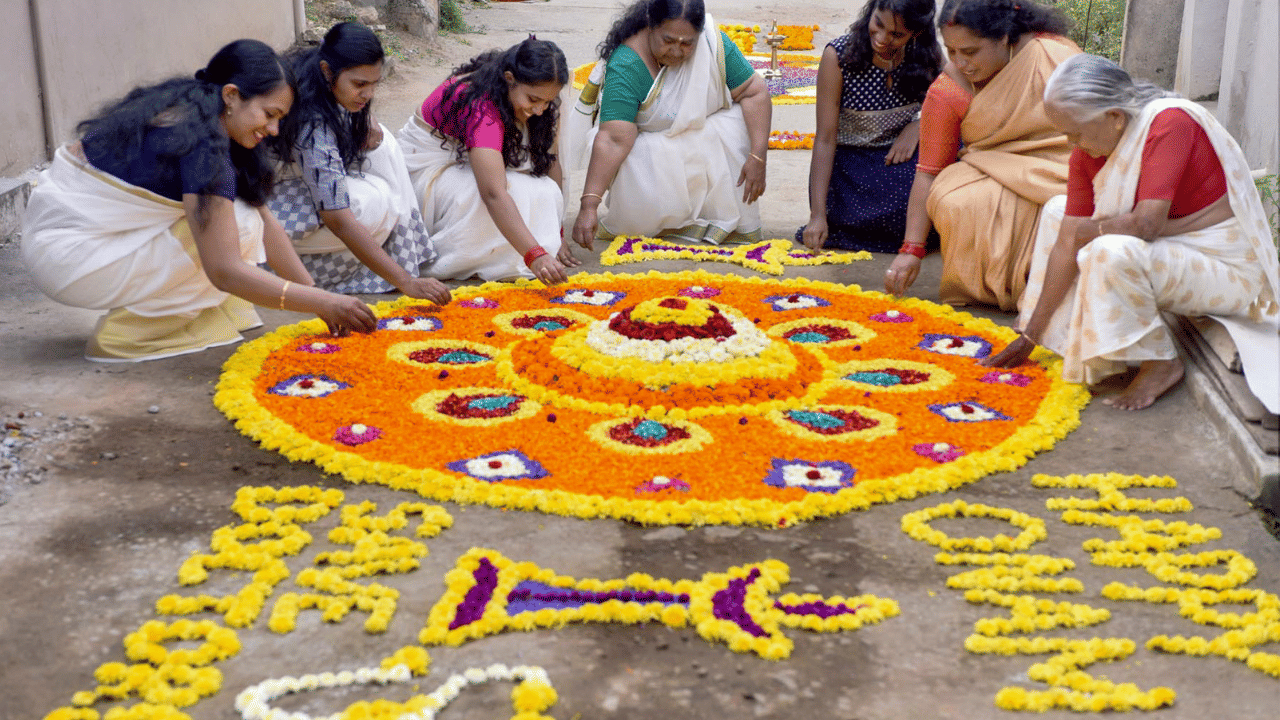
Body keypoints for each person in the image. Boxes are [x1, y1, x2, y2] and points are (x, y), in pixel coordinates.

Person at [21, 39, 376, 363]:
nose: (273, 131)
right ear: (231, 95)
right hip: (72, 259)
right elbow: (224, 271)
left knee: (244, 217)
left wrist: (315, 298)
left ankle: (195, 311)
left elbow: (269, 225)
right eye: (270, 115)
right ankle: (132, 334)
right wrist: (324, 301)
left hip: (64, 242)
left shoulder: (194, 110)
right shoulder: (202, 148)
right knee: (239, 226)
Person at [983, 54, 1280, 412]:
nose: (1071, 142)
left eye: (1075, 131)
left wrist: (1096, 229)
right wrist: (1031, 334)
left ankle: (1160, 362)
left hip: (1228, 272)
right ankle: (1065, 336)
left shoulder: (1170, 123)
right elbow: (1067, 243)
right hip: (1171, 255)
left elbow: (1146, 225)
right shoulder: (1088, 153)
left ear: (1115, 116)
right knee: (1058, 212)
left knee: (1106, 251)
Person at [884, 0, 1079, 310]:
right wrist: (911, 250)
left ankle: (1047, 289)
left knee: (1060, 207)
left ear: (1004, 37)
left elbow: (1095, 132)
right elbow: (929, 171)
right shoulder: (948, 89)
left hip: (1063, 169)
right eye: (951, 52)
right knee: (951, 198)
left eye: (970, 52)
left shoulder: (1054, 58)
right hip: (991, 168)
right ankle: (993, 288)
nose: (961, 63)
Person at [565, 0, 772, 248]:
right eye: (668, 41)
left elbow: (754, 92)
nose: (676, 51)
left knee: (738, 123)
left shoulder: (710, 41)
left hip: (702, 140)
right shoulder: (627, 63)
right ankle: (669, 217)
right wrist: (589, 205)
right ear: (650, 25)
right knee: (642, 149)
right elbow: (613, 139)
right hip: (648, 159)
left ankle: (710, 213)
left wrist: (758, 156)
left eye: (687, 43)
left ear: (699, 34)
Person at [268, 22, 450, 304]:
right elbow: (338, 219)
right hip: (274, 203)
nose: (368, 94)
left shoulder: (322, 79)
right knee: (368, 206)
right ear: (327, 71)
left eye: (375, 84)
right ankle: (287, 271)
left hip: (302, 181)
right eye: (360, 84)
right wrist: (405, 282)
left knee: (383, 143)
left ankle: (405, 249)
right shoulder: (312, 125)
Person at [397, 37, 572, 285]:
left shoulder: (535, 100)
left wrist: (557, 233)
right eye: (533, 100)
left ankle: (511, 254)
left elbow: (549, 162)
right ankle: (466, 258)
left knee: (546, 190)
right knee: (516, 191)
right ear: (509, 79)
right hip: (427, 170)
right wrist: (535, 255)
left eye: (547, 101)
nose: (539, 110)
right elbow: (493, 193)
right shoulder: (481, 105)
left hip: (468, 163)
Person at [798, 0, 943, 253]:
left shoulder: (925, 54)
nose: (882, 38)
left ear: (916, 33)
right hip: (851, 170)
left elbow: (959, 96)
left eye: (896, 35)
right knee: (912, 210)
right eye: (878, 23)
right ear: (871, 11)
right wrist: (817, 215)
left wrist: (920, 125)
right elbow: (825, 139)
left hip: (898, 159)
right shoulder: (838, 56)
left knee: (953, 151)